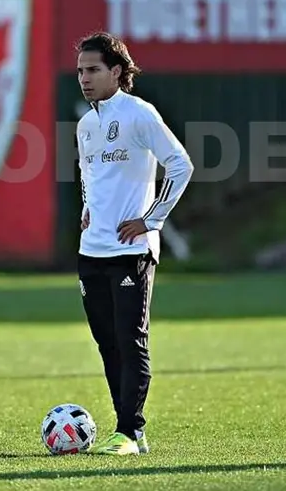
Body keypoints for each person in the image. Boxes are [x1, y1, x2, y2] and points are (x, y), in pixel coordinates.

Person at [74, 32, 194, 455]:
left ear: (117, 72)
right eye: (80, 71)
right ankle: (127, 431)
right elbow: (88, 177)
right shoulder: (87, 124)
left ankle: (129, 429)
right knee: (107, 344)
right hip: (91, 251)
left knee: (131, 339)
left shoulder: (139, 114)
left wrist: (151, 220)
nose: (84, 78)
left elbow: (180, 165)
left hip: (132, 252)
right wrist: (88, 208)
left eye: (92, 70)